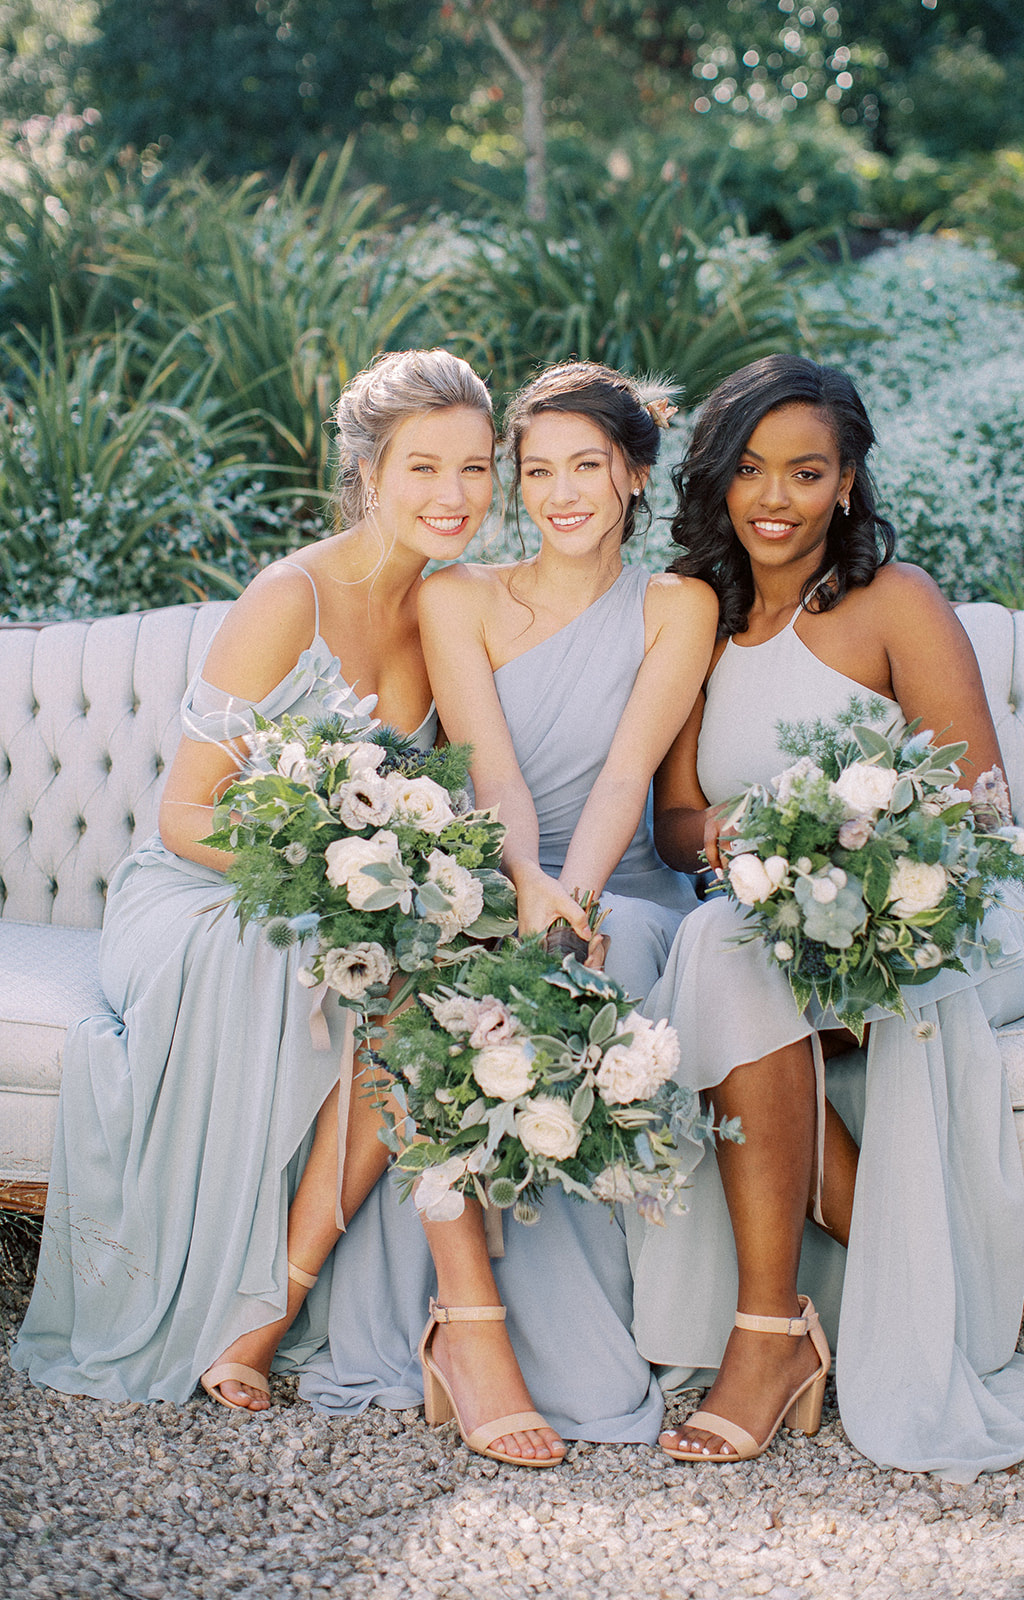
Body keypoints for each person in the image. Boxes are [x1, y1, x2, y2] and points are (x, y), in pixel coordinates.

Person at [630, 354, 1024, 1477]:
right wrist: (760, 842)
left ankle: (779, 1338)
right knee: (715, 937)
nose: (774, 498)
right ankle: (820, 1307)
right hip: (782, 921)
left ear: (847, 482)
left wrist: (851, 854)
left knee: (722, 951)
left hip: (951, 907)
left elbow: (975, 806)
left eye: (806, 472)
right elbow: (677, 824)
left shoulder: (894, 602)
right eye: (749, 469)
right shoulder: (698, 623)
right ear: (717, 479)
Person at [12, 349, 496, 1413]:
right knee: (324, 952)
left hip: (338, 892)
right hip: (202, 892)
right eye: (424, 467)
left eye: (476, 467)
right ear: (369, 472)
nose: (454, 496)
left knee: (413, 968)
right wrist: (325, 875)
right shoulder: (292, 595)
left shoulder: (457, 608)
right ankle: (245, 1303)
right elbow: (183, 815)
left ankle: (280, 1297)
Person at [298, 362, 718, 1465]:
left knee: (607, 956)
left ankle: (582, 1328)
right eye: (536, 471)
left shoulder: (680, 605)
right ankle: (471, 1329)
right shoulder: (459, 595)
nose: (562, 492)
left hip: (621, 883)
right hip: (503, 864)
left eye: (588, 466)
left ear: (634, 473)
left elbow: (629, 777)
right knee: (452, 964)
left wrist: (574, 906)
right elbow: (495, 780)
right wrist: (527, 894)